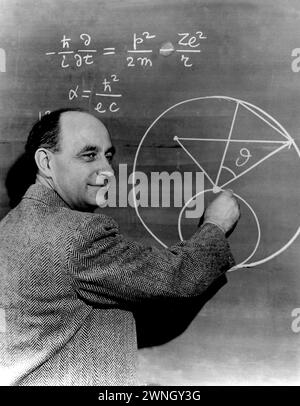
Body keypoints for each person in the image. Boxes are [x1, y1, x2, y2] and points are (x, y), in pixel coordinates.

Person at [0, 108, 240, 386]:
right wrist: (216, 225)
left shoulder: (7, 228)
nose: (107, 170)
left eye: (108, 156)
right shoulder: (79, 235)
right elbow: (176, 279)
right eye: (89, 155)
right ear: (45, 162)